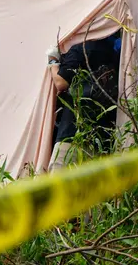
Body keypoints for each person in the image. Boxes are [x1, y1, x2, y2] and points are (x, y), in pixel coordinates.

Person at [46, 33, 120, 172]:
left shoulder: (81, 48)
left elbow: (60, 82)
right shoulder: (115, 54)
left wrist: (53, 61)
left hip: (72, 137)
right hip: (102, 142)